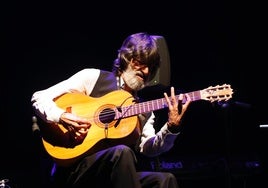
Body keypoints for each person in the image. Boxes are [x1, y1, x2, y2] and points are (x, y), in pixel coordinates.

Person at [31, 32, 192, 188]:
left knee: (164, 180)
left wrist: (171, 128)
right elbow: (39, 97)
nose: (146, 72)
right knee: (121, 153)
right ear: (127, 58)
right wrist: (62, 116)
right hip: (75, 169)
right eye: (141, 63)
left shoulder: (143, 110)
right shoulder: (93, 78)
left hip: (115, 174)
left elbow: (148, 148)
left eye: (152, 67)